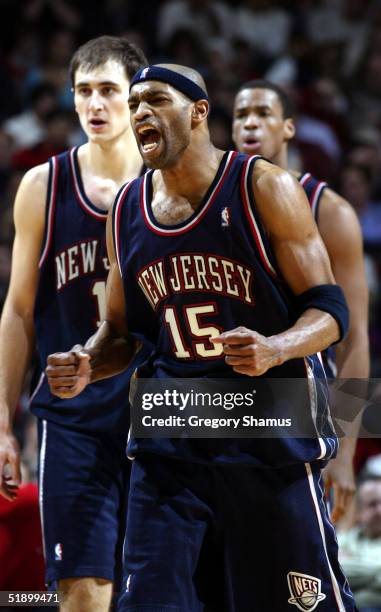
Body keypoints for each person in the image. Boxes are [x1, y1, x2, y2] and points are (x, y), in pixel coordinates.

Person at [46, 64, 355, 611]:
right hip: (172, 433)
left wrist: (277, 347)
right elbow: (120, 332)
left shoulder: (265, 187)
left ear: (198, 111)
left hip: (267, 428)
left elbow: (332, 311)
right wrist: (89, 361)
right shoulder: (126, 209)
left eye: (156, 100)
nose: (139, 112)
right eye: (134, 103)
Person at [0, 36, 147, 611]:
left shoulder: (171, 188)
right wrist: (4, 424)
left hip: (159, 413)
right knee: (82, 590)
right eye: (84, 91)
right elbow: (16, 310)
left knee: (157, 589)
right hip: (74, 418)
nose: (94, 104)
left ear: (137, 98)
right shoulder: (43, 185)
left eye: (109, 90)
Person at [232, 79, 370, 524]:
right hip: (225, 402)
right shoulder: (216, 203)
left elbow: (354, 340)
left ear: (289, 128)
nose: (250, 123)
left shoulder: (330, 210)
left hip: (300, 403)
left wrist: (346, 452)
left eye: (263, 114)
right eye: (240, 115)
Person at [338, 474, 381, 612]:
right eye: (372, 505)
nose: (380, 510)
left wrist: (350, 561)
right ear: (359, 512)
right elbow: (329, 571)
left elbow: (340, 573)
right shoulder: (343, 539)